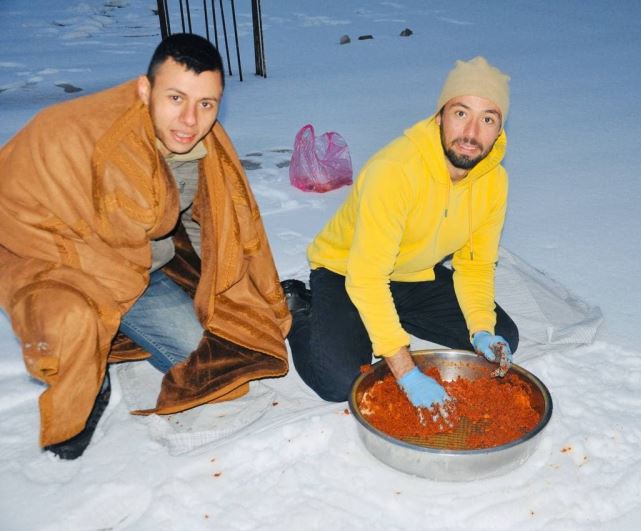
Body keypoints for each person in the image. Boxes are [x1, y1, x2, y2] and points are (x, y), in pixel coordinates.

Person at [0, 33, 291, 460]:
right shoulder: (78, 135)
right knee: (74, 326)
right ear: (144, 89)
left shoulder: (200, 146)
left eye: (206, 104)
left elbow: (220, 227)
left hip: (143, 270)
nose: (190, 120)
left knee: (218, 352)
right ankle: (89, 377)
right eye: (176, 97)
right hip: (60, 263)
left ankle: (112, 335)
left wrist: (229, 292)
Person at [283, 56, 519, 409]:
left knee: (504, 337)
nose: (471, 133)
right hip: (347, 271)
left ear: (499, 130)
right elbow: (366, 278)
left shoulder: (494, 182)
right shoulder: (393, 171)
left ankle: (388, 319)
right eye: (460, 113)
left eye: (488, 119)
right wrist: (406, 371)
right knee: (342, 382)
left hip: (411, 274)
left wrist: (481, 328)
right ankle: (300, 308)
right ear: (439, 116)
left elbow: (475, 265)